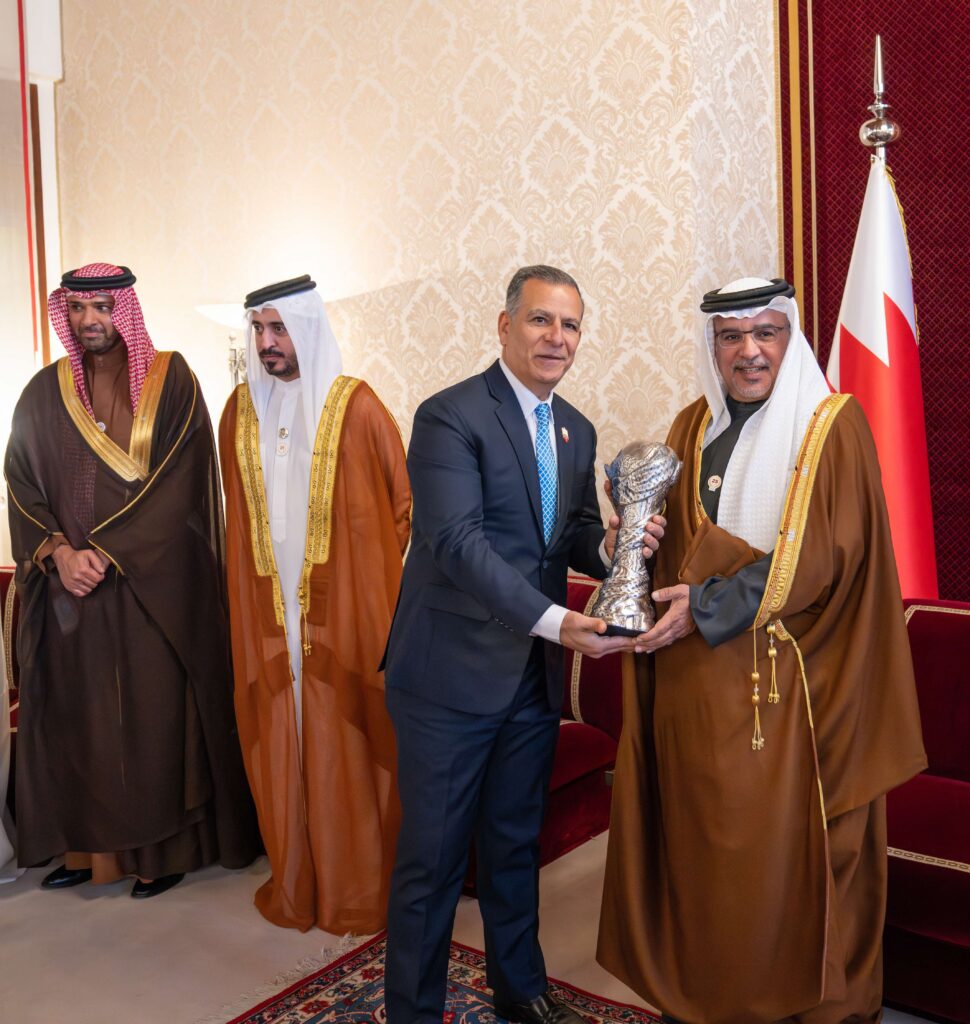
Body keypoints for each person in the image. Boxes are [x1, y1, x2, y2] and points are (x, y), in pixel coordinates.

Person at [598, 277, 927, 1023]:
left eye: (765, 333)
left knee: (786, 862)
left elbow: (828, 552)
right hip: (697, 692)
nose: (749, 351)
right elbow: (672, 548)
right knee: (705, 860)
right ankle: (714, 998)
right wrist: (625, 549)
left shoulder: (831, 424)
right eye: (730, 337)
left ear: (790, 338)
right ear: (712, 345)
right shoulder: (690, 427)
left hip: (797, 691)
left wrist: (709, 605)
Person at [383, 265, 660, 1024]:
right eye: (541, 320)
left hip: (528, 682)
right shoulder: (449, 416)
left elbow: (570, 534)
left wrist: (614, 548)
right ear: (505, 326)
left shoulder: (575, 428)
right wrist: (556, 621)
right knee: (433, 863)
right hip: (446, 681)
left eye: (570, 325)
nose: (556, 338)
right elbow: (457, 543)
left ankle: (520, 989)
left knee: (513, 846)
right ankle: (413, 1013)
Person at [4, 262, 259, 898]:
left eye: (104, 307)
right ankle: (87, 851)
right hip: (70, 591)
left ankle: (160, 854)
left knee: (150, 721)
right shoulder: (42, 391)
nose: (91, 320)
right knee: (80, 722)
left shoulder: (171, 380)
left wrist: (109, 551)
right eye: (79, 308)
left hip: (152, 590)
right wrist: (58, 552)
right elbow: (21, 478)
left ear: (126, 310)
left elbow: (183, 479)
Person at [219, 274, 411, 933]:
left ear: (307, 327)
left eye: (279, 328)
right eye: (258, 329)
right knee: (282, 740)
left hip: (345, 619)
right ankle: (299, 881)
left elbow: (403, 509)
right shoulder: (238, 412)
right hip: (270, 618)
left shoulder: (357, 406)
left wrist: (361, 587)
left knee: (350, 742)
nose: (266, 343)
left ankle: (358, 886)